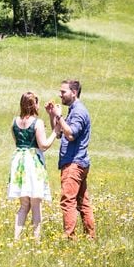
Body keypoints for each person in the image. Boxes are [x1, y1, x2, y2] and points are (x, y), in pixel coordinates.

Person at [45, 79, 96, 239]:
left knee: (68, 201)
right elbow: (59, 133)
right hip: (77, 162)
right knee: (83, 202)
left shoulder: (79, 111)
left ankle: (69, 238)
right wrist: (52, 116)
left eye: (63, 92)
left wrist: (59, 117)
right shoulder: (73, 110)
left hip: (74, 163)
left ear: (74, 93)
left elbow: (71, 135)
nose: (60, 95)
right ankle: (90, 236)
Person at [8, 92, 60, 241]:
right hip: (33, 163)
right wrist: (55, 132)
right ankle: (36, 241)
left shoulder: (14, 122)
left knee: (24, 205)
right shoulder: (37, 123)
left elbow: (17, 142)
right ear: (33, 104)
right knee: (36, 204)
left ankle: (16, 239)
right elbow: (43, 145)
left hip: (19, 162)